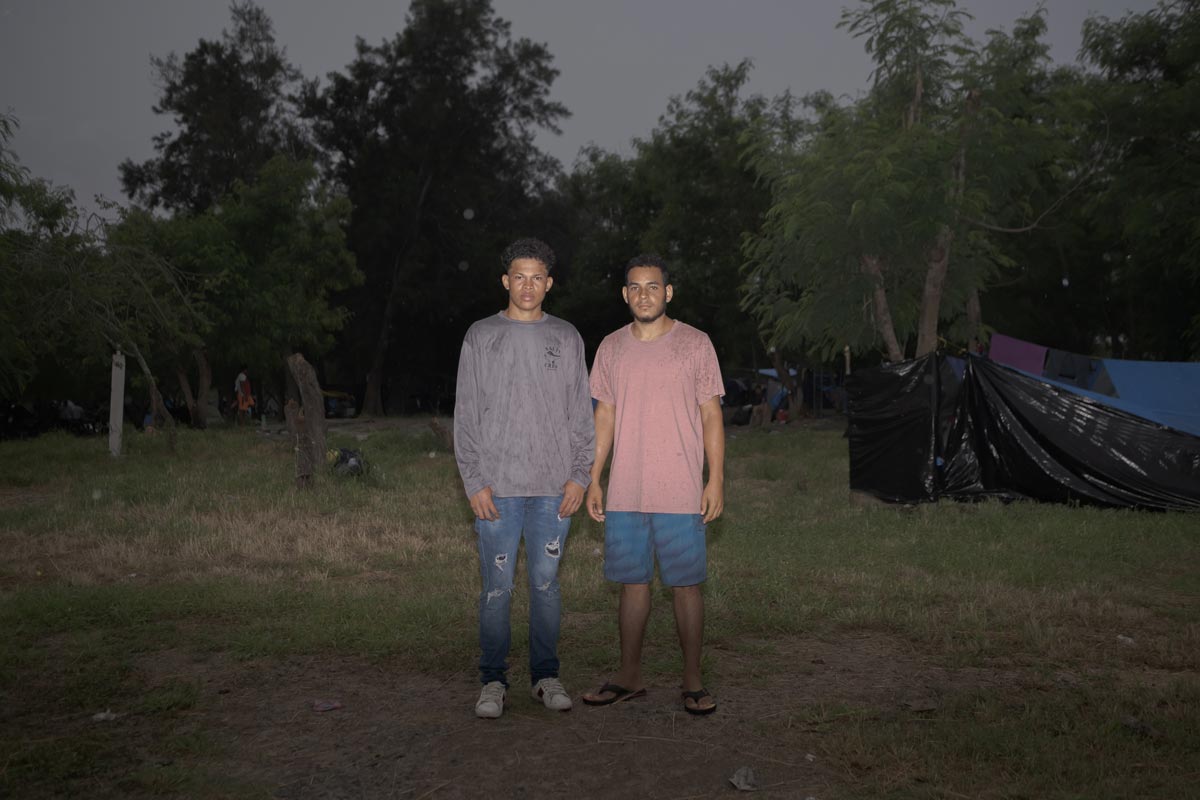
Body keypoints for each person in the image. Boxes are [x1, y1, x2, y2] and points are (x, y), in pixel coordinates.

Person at [453, 237, 595, 719]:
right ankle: (492, 682)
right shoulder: (480, 336)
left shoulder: (568, 337)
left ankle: (546, 676)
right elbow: (466, 415)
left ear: (549, 283)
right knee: (496, 589)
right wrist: (474, 481)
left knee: (546, 586)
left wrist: (579, 475)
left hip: (554, 489)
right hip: (498, 488)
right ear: (505, 281)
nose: (528, 285)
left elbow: (581, 413)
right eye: (519, 276)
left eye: (537, 277)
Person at [583, 253, 725, 716]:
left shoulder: (696, 344)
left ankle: (692, 678)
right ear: (625, 294)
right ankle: (629, 675)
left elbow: (711, 415)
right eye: (635, 288)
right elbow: (604, 415)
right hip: (626, 489)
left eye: (653, 286)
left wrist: (716, 478)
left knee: (685, 586)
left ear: (668, 292)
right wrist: (594, 477)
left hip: (681, 488)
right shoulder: (610, 347)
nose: (644, 295)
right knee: (632, 585)